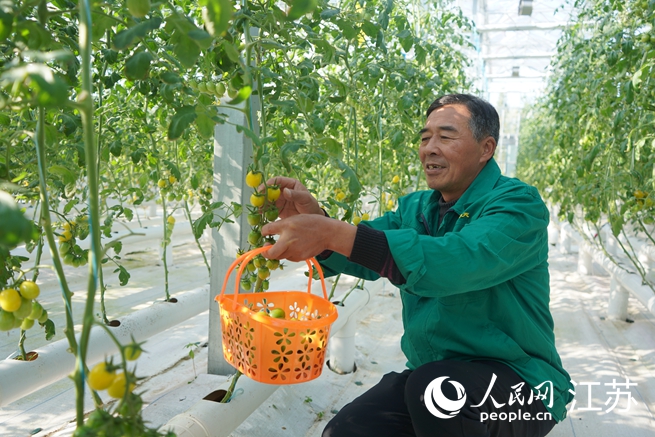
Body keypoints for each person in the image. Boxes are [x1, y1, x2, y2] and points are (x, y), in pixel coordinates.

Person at [260, 94, 573, 437]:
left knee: (433, 390)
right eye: (425, 138)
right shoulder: (416, 209)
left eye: (446, 136)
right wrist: (317, 223)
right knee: (349, 430)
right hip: (439, 378)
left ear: (486, 148)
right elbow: (366, 248)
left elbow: (458, 261)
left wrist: (331, 233)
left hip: (522, 384)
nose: (430, 148)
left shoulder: (517, 205)